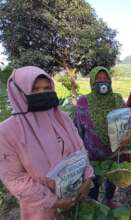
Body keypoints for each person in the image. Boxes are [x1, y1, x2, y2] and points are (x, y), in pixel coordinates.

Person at [0, 66, 93, 220]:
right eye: (35, 90)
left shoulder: (62, 118)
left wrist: (88, 176)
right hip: (42, 210)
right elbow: (15, 178)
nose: (42, 93)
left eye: (46, 88)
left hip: (76, 196)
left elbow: (80, 148)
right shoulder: (7, 132)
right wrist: (53, 201)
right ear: (19, 93)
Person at [74, 66, 131, 208]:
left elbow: (127, 120)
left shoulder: (117, 99)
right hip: (93, 154)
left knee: (112, 178)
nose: (102, 82)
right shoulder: (83, 102)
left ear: (110, 81)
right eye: (98, 79)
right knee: (93, 181)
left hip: (114, 151)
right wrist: (79, 151)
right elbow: (78, 128)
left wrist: (128, 132)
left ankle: (109, 199)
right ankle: (93, 204)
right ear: (92, 82)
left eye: (105, 79)